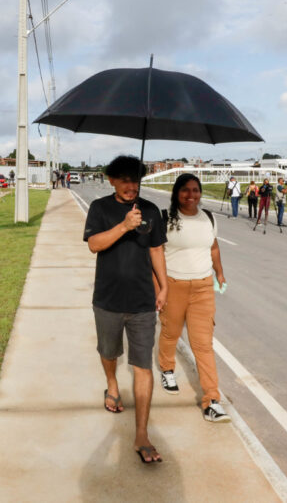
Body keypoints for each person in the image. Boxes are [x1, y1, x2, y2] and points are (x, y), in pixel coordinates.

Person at [83, 155, 168, 464]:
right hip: (107, 299)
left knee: (143, 364)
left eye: (136, 180)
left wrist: (164, 285)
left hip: (143, 302)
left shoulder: (151, 210)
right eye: (125, 180)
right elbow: (94, 244)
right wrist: (123, 226)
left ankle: (142, 434)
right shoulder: (100, 208)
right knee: (109, 351)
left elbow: (157, 248)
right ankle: (112, 385)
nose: (131, 186)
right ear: (111, 180)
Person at [157, 174, 231, 423]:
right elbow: (154, 253)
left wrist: (219, 272)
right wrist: (159, 287)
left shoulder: (208, 218)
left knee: (203, 344)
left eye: (196, 190)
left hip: (203, 287)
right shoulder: (165, 218)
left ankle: (212, 400)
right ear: (176, 193)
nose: (191, 195)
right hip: (173, 284)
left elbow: (213, 247)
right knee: (171, 333)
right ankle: (167, 369)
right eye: (186, 190)